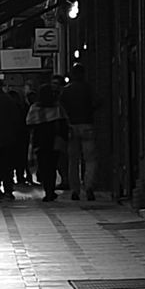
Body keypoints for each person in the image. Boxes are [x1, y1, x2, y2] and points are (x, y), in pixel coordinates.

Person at [59, 62, 98, 200]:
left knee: (73, 160)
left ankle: (75, 190)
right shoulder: (88, 88)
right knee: (90, 159)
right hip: (87, 125)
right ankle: (89, 186)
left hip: (72, 126)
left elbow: (61, 107)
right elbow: (97, 102)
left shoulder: (66, 90)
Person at [26, 83, 69, 201]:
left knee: (44, 166)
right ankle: (51, 190)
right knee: (52, 166)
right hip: (54, 140)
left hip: (40, 141)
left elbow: (29, 123)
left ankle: (48, 190)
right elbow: (64, 124)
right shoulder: (57, 108)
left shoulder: (35, 108)